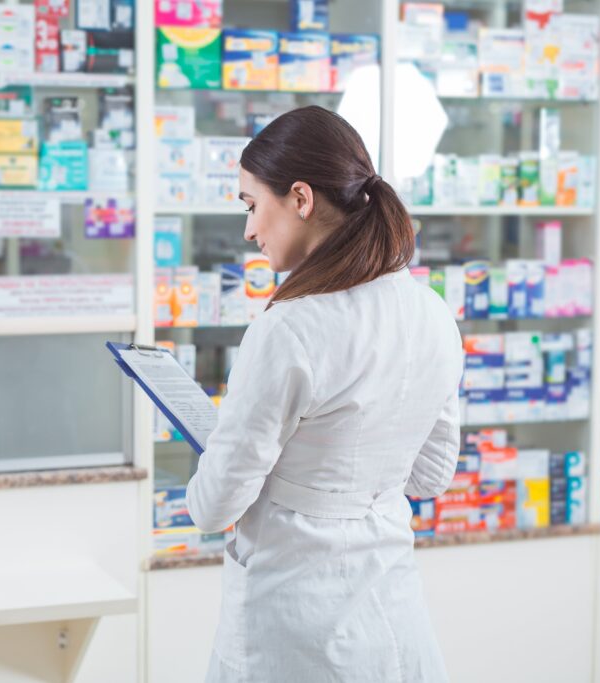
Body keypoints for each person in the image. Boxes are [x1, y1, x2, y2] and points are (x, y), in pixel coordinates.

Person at [186, 106, 463, 682]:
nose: (249, 230)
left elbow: (214, 507)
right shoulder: (432, 312)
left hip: (296, 625)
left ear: (301, 199)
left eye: (251, 205)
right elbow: (430, 477)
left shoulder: (288, 328)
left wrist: (221, 458)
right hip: (392, 611)